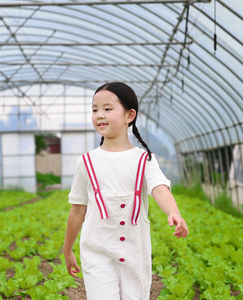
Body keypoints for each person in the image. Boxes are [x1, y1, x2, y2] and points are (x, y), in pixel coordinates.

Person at [63, 82, 188, 300]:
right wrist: (67, 249)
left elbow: (159, 189)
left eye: (107, 109)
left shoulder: (143, 159)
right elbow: (77, 210)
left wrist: (173, 211)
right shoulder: (86, 162)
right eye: (95, 109)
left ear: (129, 115)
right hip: (96, 252)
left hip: (134, 254)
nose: (99, 115)